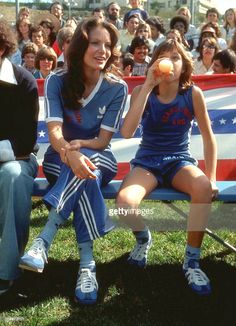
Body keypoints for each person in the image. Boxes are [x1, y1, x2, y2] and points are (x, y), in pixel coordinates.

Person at [19, 18, 128, 305]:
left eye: (108, 45)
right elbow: (54, 132)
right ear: (80, 46)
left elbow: (103, 142)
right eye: (95, 43)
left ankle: (44, 239)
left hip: (100, 156)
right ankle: (87, 264)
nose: (103, 50)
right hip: (60, 158)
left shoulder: (117, 88)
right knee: (83, 174)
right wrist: (70, 152)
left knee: (88, 165)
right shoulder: (56, 79)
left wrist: (82, 149)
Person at [116, 38, 218, 296]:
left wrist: (213, 177)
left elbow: (208, 137)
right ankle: (143, 238)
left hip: (178, 162)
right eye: (163, 56)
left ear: (184, 65)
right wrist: (148, 85)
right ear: (154, 63)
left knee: (203, 188)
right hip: (147, 162)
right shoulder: (142, 92)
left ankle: (192, 260)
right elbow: (127, 132)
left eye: (175, 57)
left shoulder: (192, 94)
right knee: (125, 204)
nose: (169, 62)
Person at [0, 19, 39, 295]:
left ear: (3, 47)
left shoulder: (23, 81)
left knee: (12, 177)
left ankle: (6, 271)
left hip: (18, 158)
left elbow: (26, 141)